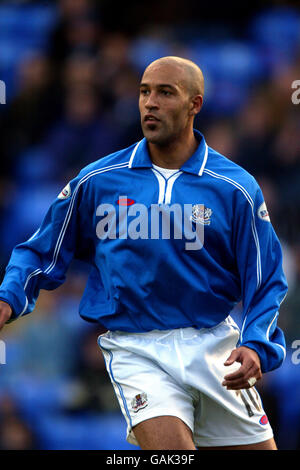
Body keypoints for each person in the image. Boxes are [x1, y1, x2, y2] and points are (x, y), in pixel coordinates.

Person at [0, 56, 288, 450]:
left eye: (165, 93)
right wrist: (8, 297)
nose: (150, 102)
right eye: (144, 92)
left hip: (214, 348)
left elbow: (266, 278)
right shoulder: (97, 181)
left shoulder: (235, 188)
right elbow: (40, 251)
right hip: (137, 348)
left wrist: (256, 343)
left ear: (195, 104)